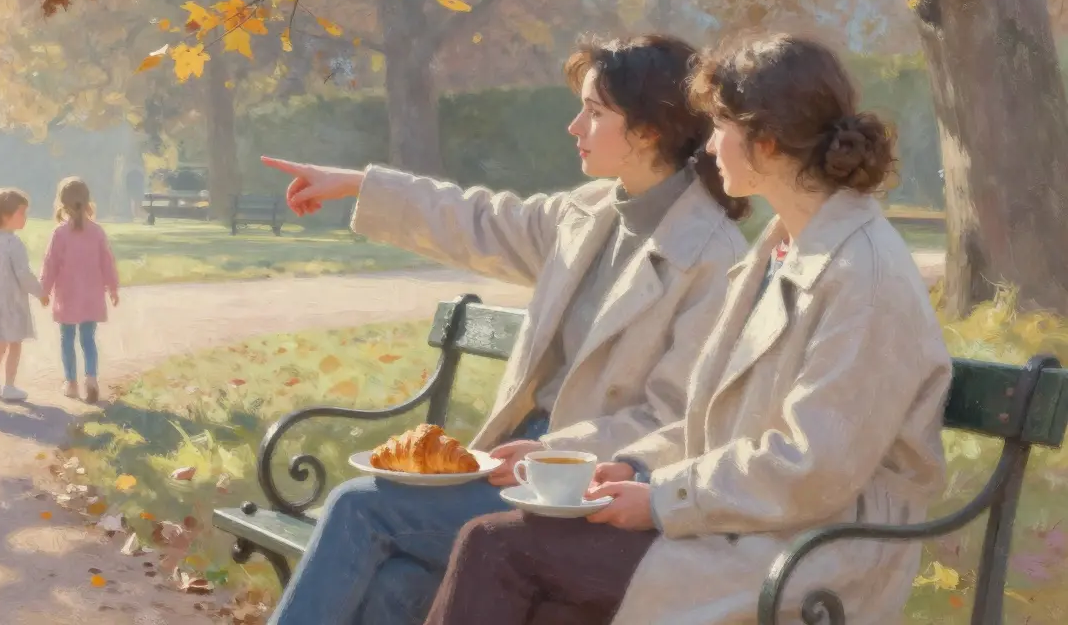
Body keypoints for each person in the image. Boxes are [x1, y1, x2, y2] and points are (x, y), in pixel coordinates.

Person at [424, 34, 954, 625]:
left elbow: (813, 468)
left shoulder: (865, 277)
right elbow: (710, 422)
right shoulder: (785, 245)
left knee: (497, 547)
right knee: (516, 565)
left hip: (811, 557)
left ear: (767, 142)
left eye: (720, 126)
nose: (709, 144)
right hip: (741, 528)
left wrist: (661, 500)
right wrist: (628, 466)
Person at [259, 35, 752, 625]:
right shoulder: (590, 212)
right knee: (399, 582)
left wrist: (554, 450)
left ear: (648, 131)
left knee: (357, 508)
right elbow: (479, 218)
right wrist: (358, 183)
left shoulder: (713, 257)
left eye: (595, 113)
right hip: (514, 469)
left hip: (580, 485)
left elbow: (677, 421)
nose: (575, 126)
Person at [40, 177, 120, 404]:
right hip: (91, 295)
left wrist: (44, 290)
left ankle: (71, 383)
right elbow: (107, 262)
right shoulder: (97, 232)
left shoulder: (60, 233)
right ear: (87, 202)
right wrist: (113, 288)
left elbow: (50, 263)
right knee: (88, 339)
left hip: (68, 295)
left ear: (62, 203)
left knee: (67, 338)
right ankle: (92, 378)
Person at [0, 188, 49, 403]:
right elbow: (23, 274)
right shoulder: (14, 244)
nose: (25, 218)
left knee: (2, 341)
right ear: (6, 216)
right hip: (11, 300)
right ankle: (9, 385)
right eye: (22, 213)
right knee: (15, 342)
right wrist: (40, 293)